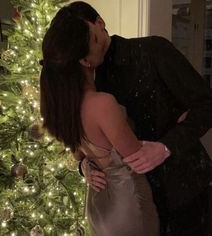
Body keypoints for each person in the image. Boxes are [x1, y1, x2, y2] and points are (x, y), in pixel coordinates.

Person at [66, 1, 212, 236]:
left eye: (86, 39)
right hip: (131, 205)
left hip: (184, 190)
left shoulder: (154, 50)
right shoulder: (84, 83)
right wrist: (85, 166)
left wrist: (165, 147)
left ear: (100, 24)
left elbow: (206, 104)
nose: (83, 55)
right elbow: (80, 141)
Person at [39, 5, 161, 236]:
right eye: (96, 39)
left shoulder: (64, 106)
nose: (104, 37)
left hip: (97, 201)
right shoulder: (102, 103)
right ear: (85, 61)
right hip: (127, 204)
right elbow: (135, 158)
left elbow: (79, 154)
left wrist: (86, 166)